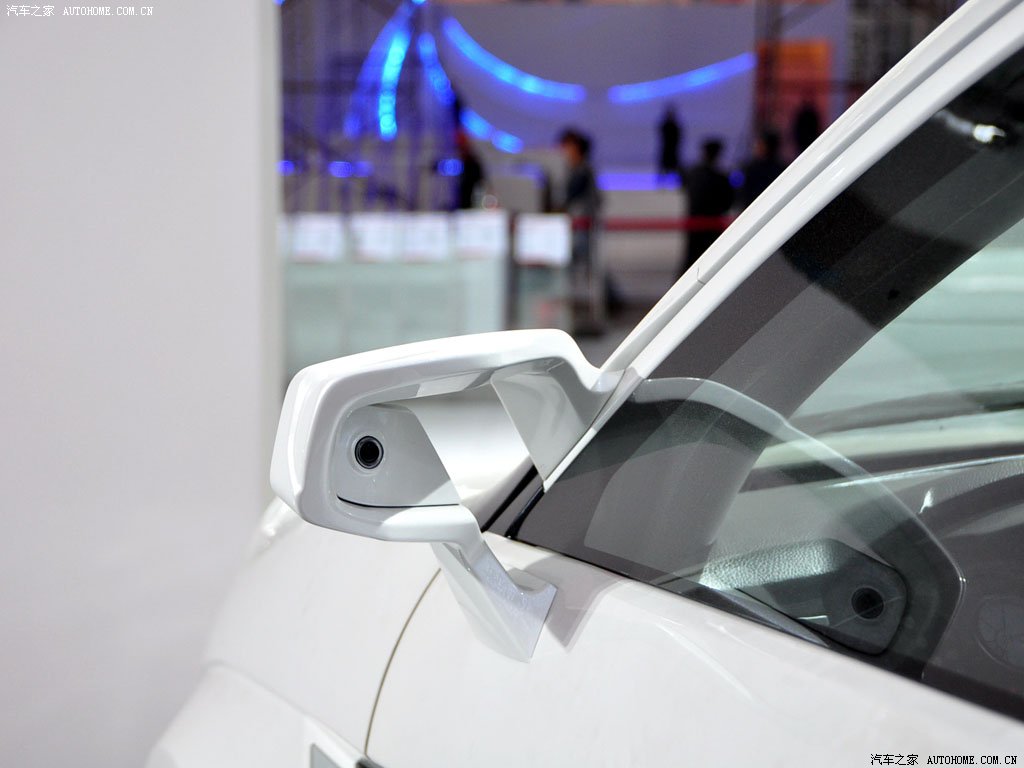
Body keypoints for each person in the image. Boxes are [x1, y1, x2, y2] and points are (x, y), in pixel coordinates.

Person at [681, 138, 733, 276]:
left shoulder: (693, 174)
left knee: (691, 264)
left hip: (695, 227)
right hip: (711, 229)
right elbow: (728, 203)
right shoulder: (720, 178)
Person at [738, 129, 785, 209]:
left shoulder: (780, 170)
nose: (756, 147)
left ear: (769, 146)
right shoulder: (749, 168)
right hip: (752, 210)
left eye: (760, 144)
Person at [453, 129, 484, 209]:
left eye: (460, 147)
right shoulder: (457, 163)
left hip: (469, 206)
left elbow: (479, 185)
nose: (458, 151)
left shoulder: (473, 164)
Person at [657, 106, 684, 185]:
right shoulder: (666, 125)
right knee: (665, 165)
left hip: (672, 149)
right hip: (667, 149)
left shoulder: (673, 125)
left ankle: (675, 180)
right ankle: (662, 180)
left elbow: (678, 137)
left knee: (673, 165)